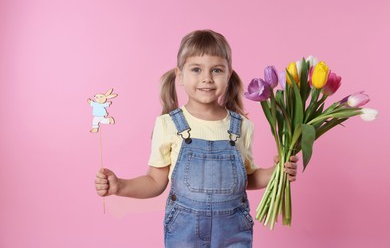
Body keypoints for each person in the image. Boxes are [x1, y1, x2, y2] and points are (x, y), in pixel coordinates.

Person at [95, 29, 298, 247]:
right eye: (196, 69)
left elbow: (246, 179)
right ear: (180, 76)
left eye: (217, 70)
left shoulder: (242, 126)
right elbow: (155, 181)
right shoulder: (169, 124)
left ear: (229, 74)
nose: (207, 78)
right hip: (184, 231)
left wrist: (278, 174)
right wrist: (120, 186)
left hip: (233, 231)